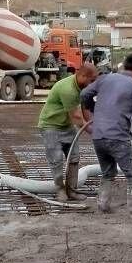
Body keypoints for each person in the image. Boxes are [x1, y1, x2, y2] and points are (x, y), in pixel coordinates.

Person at [80, 53, 132, 216]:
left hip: (98, 136)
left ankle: (103, 206)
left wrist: (95, 110)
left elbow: (84, 95)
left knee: (108, 173)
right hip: (118, 137)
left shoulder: (105, 79)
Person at [37, 65, 98, 201]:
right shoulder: (68, 89)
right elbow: (77, 117)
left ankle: (72, 191)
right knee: (56, 159)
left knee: (74, 157)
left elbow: (85, 109)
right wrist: (95, 133)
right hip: (50, 126)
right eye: (92, 81)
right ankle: (60, 189)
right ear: (82, 76)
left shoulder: (83, 88)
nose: (94, 84)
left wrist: (95, 126)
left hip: (66, 126)